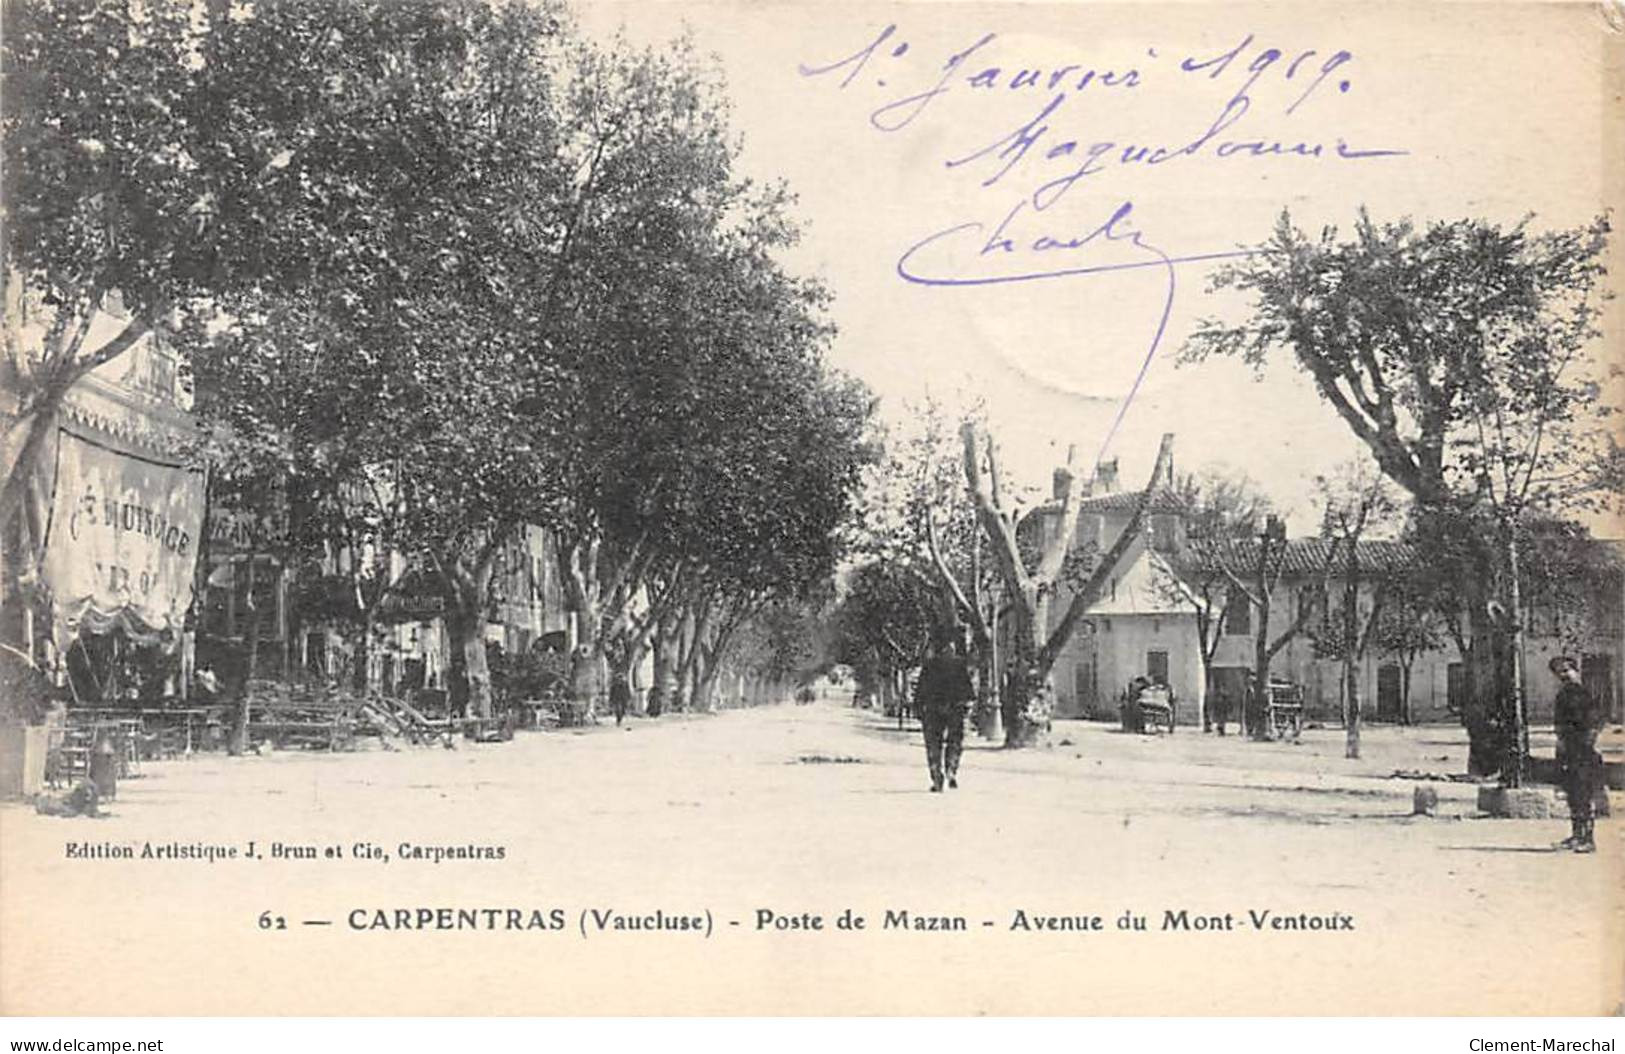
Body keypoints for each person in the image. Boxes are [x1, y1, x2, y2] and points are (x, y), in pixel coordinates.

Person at [1550, 656, 1605, 853]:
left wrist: (1586, 744)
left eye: (1567, 670)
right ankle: (1576, 835)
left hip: (1583, 751)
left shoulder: (1585, 693)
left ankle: (1588, 839)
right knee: (1573, 793)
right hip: (1569, 749)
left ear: (1575, 670)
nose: (1564, 675)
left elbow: (1595, 722)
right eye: (1559, 672)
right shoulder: (1564, 694)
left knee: (1583, 793)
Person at [914, 626, 975, 793]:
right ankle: (951, 770)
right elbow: (968, 691)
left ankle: (937, 776)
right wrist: (967, 706)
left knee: (933, 744)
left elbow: (920, 690)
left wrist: (918, 708)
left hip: (933, 709)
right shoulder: (959, 665)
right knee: (955, 741)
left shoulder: (930, 666)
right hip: (955, 709)